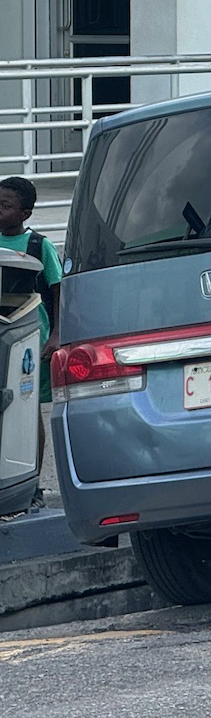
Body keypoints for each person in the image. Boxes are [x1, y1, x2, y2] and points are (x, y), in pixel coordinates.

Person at [0, 177, 62, 513]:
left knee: (28, 408)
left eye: (5, 206)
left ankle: (32, 480)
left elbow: (58, 290)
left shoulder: (39, 245)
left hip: (30, 342)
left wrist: (55, 335)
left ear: (25, 212)